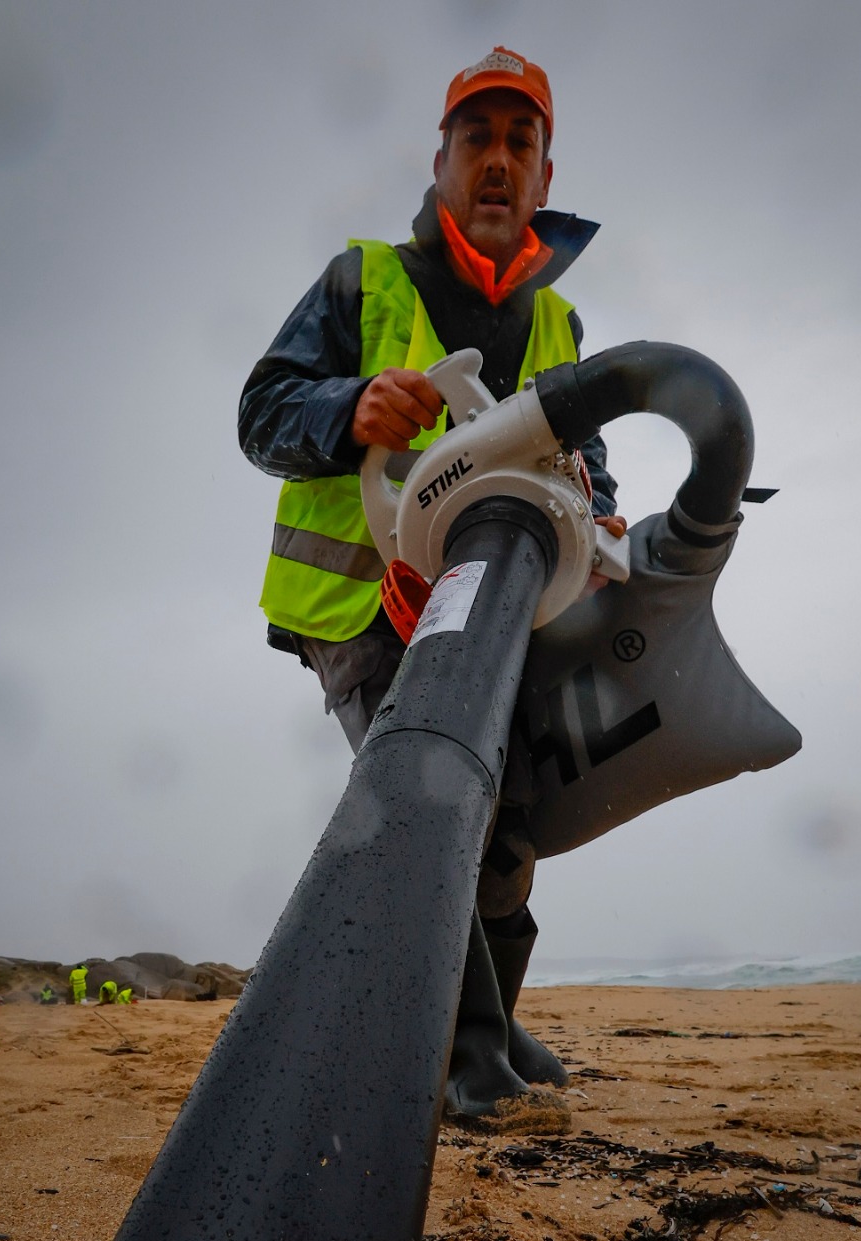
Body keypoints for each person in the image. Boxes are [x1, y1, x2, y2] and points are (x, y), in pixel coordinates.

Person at [239, 47, 625, 1127]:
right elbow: (260, 412)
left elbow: (589, 459)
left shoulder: (560, 326)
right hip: (361, 604)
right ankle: (463, 1052)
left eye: (520, 142)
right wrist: (347, 408)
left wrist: (602, 513)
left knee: (507, 817)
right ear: (443, 160)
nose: (497, 161)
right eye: (477, 139)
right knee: (424, 801)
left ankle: (491, 1014)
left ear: (545, 174)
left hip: (495, 604)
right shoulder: (361, 280)